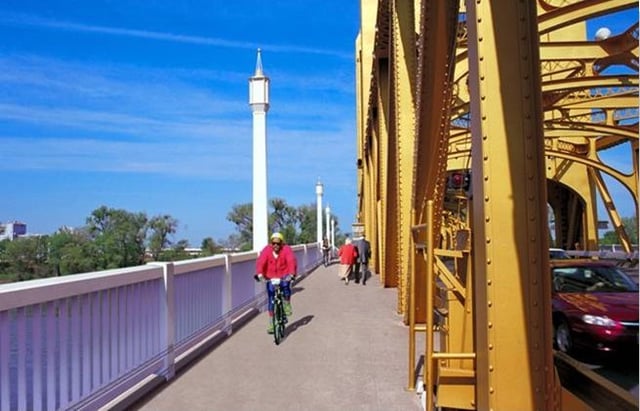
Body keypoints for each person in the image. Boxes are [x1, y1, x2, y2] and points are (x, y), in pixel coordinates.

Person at [255, 232, 298, 334]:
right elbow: (261, 261)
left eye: (278, 243)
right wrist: (260, 274)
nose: (275, 245)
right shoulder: (267, 250)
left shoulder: (286, 249)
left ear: (282, 243)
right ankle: (271, 323)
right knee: (271, 300)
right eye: (273, 243)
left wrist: (292, 274)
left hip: (284, 274)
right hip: (270, 276)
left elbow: (291, 260)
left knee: (286, 286)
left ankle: (287, 303)